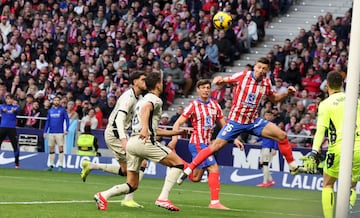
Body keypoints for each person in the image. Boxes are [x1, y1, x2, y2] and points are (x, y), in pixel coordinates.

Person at [178, 57, 305, 184]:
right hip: (235, 122)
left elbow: (274, 99)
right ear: (255, 67)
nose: (261, 70)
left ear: (268, 70)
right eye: (259, 67)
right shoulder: (243, 75)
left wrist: (287, 93)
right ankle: (189, 169)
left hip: (253, 122)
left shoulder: (266, 82)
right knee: (215, 147)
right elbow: (224, 80)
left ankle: (293, 166)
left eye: (264, 69)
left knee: (282, 135)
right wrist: (218, 80)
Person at [93, 72, 186, 211]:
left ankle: (103, 195)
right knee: (178, 164)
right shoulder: (154, 99)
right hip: (144, 142)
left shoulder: (140, 100)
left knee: (132, 184)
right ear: (157, 85)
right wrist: (144, 128)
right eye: (161, 82)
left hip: (133, 143)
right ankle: (163, 198)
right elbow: (146, 110)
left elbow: (153, 128)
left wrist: (177, 132)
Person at [81, 71, 148, 208]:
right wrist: (124, 139)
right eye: (143, 80)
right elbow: (119, 119)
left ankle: (92, 166)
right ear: (135, 82)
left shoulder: (137, 97)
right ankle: (126, 199)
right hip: (116, 134)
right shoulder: (128, 98)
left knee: (125, 171)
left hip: (119, 134)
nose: (145, 82)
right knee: (141, 164)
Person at [303, 71, 360, 218]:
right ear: (342, 84)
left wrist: (314, 151)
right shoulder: (356, 100)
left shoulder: (326, 104)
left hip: (339, 148)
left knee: (328, 184)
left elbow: (320, 130)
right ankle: (346, 211)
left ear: (326, 85)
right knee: (351, 186)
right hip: (359, 148)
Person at [168, 79, 229, 210]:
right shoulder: (193, 105)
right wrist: (174, 139)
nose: (206, 90)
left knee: (195, 178)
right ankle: (214, 203)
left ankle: (178, 163)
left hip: (207, 145)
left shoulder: (215, 105)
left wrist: (233, 138)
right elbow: (177, 123)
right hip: (197, 143)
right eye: (203, 87)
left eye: (208, 87)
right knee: (214, 169)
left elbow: (225, 126)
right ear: (198, 90)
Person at [43, 96, 70, 172]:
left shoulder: (62, 110)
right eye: (55, 100)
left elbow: (67, 120)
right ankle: (51, 165)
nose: (56, 102)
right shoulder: (50, 111)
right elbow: (47, 122)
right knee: (51, 149)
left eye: (58, 100)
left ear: (60, 101)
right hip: (51, 132)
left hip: (59, 132)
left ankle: (60, 165)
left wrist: (66, 129)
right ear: (53, 101)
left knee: (60, 148)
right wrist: (45, 131)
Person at [254, 110, 278, 187]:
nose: (267, 117)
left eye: (269, 115)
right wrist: (257, 140)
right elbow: (263, 135)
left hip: (269, 148)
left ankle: (265, 182)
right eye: (266, 115)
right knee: (262, 164)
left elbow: (276, 137)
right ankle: (271, 181)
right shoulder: (264, 125)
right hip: (264, 147)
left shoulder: (273, 126)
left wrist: (275, 148)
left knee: (265, 165)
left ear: (272, 116)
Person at [0, 94, 20, 168]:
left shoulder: (15, 107)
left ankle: (17, 164)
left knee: (15, 145)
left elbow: (18, 109)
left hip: (12, 128)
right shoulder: (2, 106)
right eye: (7, 99)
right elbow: (2, 109)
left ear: (12, 100)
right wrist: (4, 110)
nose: (9, 100)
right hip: (2, 128)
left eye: (10, 99)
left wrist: (14, 110)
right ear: (5, 100)